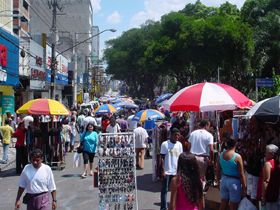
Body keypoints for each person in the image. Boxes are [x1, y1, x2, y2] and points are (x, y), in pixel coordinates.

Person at [217, 138, 246, 210]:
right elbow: (241, 174)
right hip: (234, 182)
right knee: (233, 206)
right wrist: (244, 187)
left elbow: (217, 169)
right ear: (235, 144)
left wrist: (218, 181)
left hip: (224, 180)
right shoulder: (237, 157)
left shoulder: (221, 154)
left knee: (223, 203)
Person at [160, 128, 183, 210]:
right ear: (171, 135)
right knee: (164, 190)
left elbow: (180, 158)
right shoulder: (165, 144)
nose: (177, 136)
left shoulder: (180, 144)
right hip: (167, 171)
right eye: (175, 135)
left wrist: (180, 171)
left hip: (176, 172)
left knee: (176, 190)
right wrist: (162, 170)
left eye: (178, 135)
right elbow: (162, 158)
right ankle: (163, 207)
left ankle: (175, 206)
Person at [189, 119, 214, 189]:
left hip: (192, 157)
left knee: (193, 177)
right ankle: (200, 194)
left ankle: (193, 193)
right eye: (209, 126)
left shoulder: (193, 133)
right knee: (201, 178)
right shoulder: (209, 135)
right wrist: (211, 160)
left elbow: (189, 146)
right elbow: (211, 150)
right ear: (206, 125)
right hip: (202, 158)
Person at [260, 144, 279, 209]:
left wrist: (263, 197)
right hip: (276, 194)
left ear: (271, 154)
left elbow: (266, 181)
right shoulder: (277, 163)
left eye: (266, 152)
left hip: (269, 194)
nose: (265, 154)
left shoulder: (268, 164)